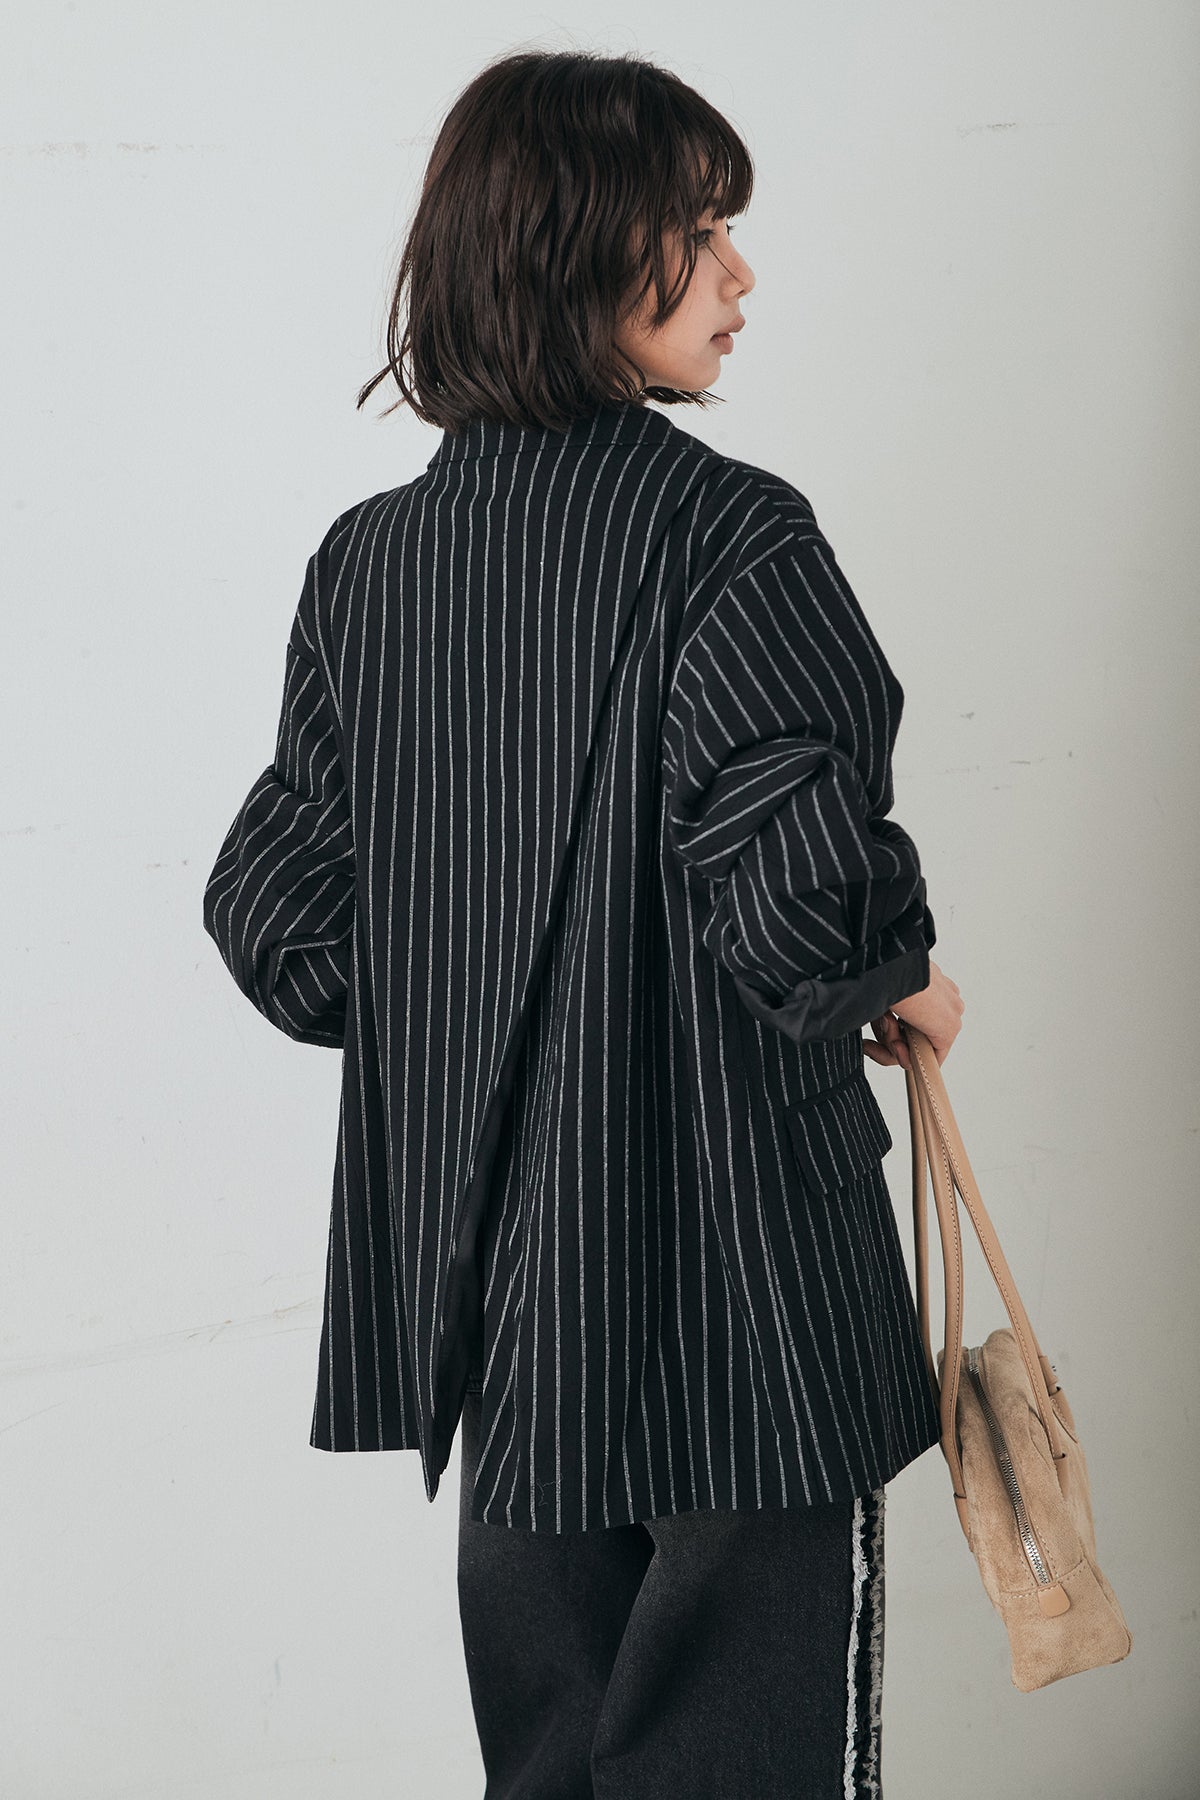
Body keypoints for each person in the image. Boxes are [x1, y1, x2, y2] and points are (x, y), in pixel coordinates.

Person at [203, 44, 963, 1800]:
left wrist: (470, 961)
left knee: (551, 1756)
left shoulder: (372, 567)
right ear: (578, 246)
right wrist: (900, 974)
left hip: (499, 1288)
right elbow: (795, 884)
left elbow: (285, 915)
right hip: (738, 1278)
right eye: (701, 227)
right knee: (737, 1757)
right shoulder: (729, 535)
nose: (742, 273)